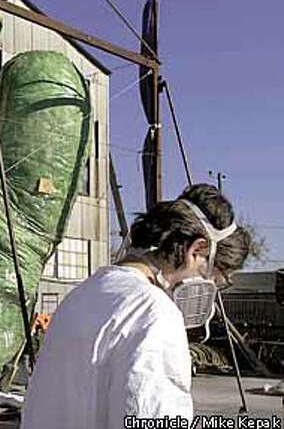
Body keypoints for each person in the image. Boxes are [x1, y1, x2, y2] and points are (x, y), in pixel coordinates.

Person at [22, 184, 251, 429]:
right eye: (215, 278)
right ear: (196, 250)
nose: (211, 290)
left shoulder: (83, 293)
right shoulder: (155, 312)